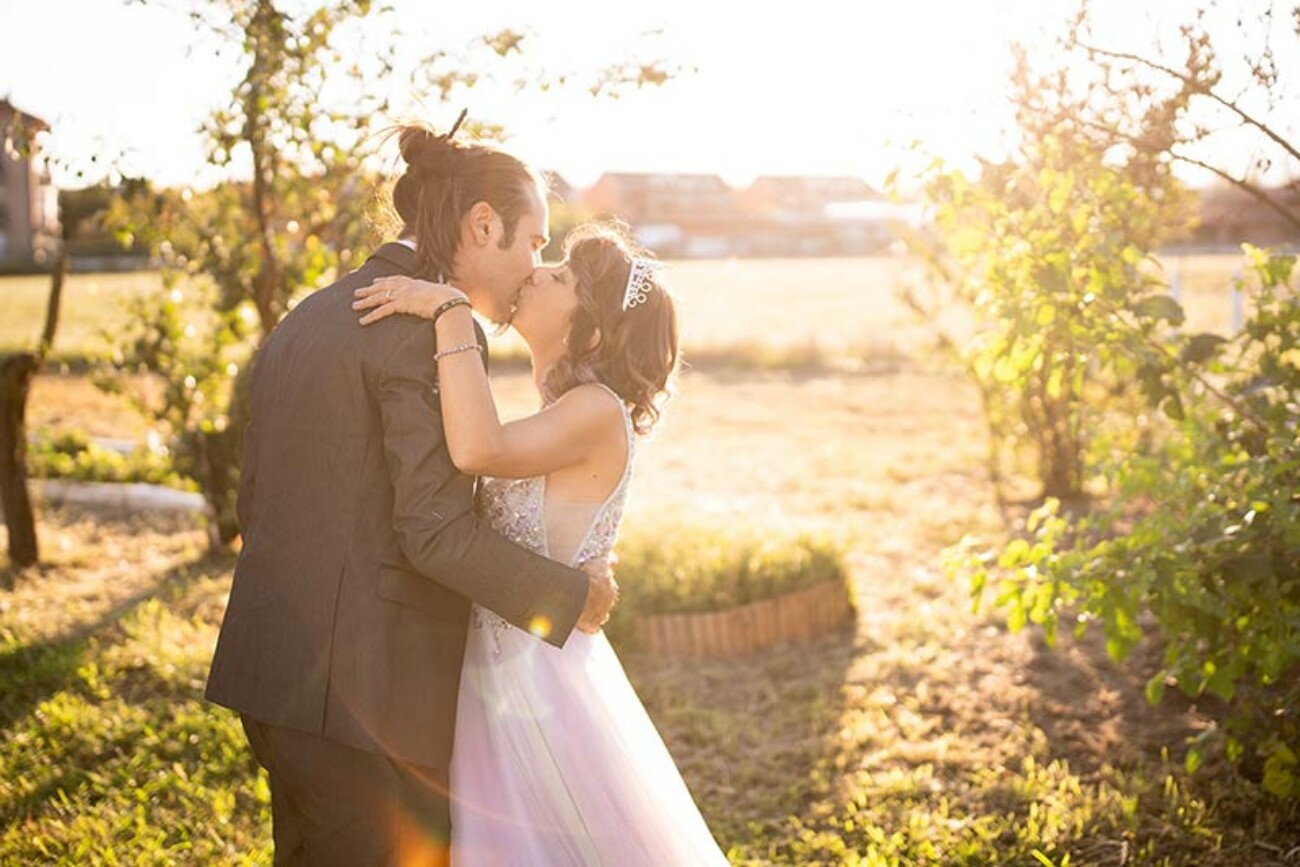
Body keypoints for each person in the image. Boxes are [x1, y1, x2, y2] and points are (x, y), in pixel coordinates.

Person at [204, 116, 618, 866]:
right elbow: (432, 532)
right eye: (534, 240)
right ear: (483, 224)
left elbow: (254, 500)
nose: (536, 263)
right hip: (367, 706)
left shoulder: (308, 316)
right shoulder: (424, 329)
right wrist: (570, 597)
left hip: (269, 678)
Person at [352, 221, 728, 864]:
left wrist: (449, 311)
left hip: (535, 687)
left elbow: (477, 449)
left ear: (595, 330)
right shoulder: (569, 409)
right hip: (497, 672)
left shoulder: (597, 410)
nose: (536, 271)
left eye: (560, 276)